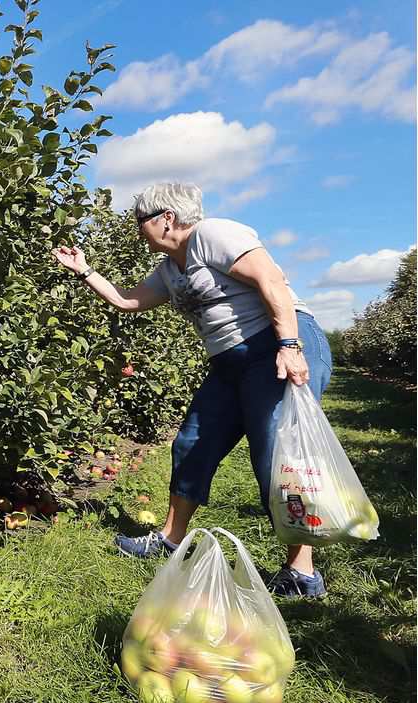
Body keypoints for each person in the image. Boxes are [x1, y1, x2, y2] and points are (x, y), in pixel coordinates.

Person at [52, 182, 332, 598]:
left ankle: (302, 571)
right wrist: (85, 270)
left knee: (277, 455)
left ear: (167, 217)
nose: (136, 229)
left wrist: (289, 346)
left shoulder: (212, 235)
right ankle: (170, 538)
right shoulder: (169, 268)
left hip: (272, 344)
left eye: (139, 221)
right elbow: (129, 301)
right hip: (229, 363)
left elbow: (270, 279)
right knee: (192, 442)